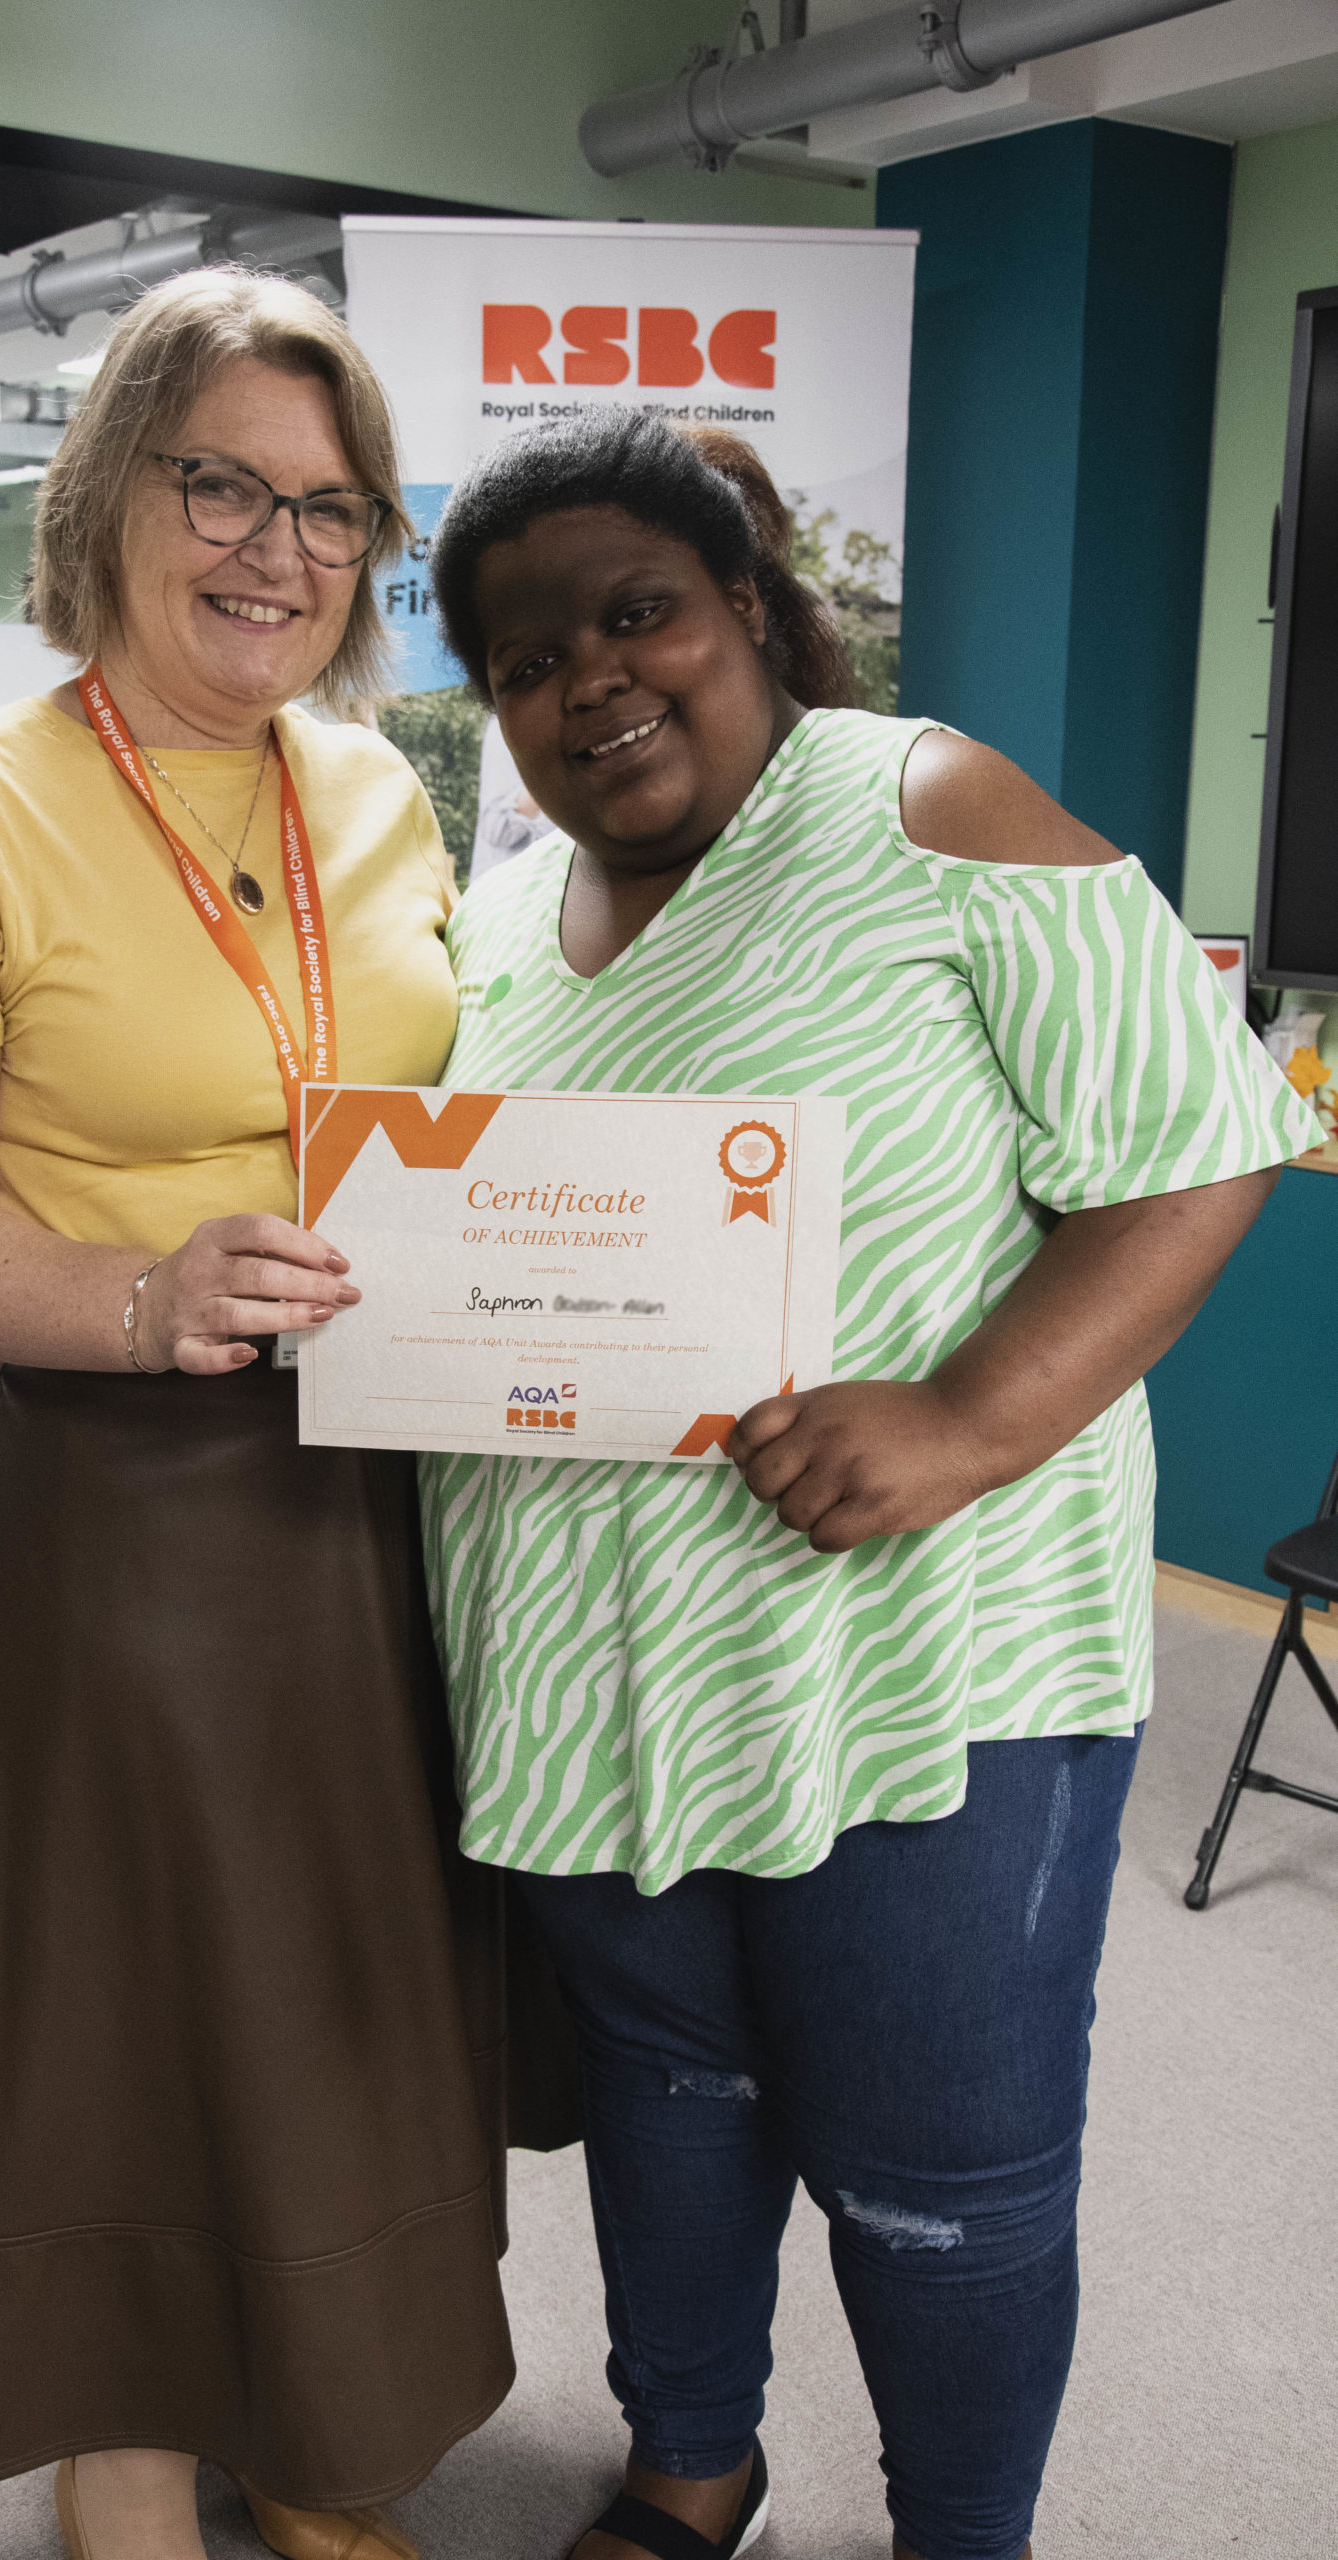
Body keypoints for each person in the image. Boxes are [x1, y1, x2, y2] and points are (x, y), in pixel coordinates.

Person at [420, 409, 1320, 2560]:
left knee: (943, 2168)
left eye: (635, 611)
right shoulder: (506, 908)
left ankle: (961, 2537)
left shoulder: (919, 797)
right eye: (523, 661)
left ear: (747, 606)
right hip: (589, 1660)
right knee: (666, 2093)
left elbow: (1198, 1136)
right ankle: (689, 2457)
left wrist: (968, 1412)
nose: (585, 682)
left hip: (918, 1651)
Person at [0, 268, 527, 2560]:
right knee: (121, 2019)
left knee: (340, 1997)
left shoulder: (378, 789)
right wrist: (143, 1286)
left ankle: (319, 2438)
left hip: (378, 1487)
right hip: (122, 1499)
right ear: (113, 487)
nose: (271, 548)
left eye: (328, 509)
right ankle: (119, 2466)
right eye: (217, 479)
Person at [470, 712, 548, 883]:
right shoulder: (505, 726)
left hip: (558, 889)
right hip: (509, 891)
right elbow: (497, 826)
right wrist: (553, 770)